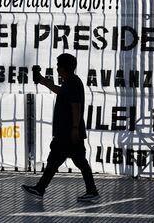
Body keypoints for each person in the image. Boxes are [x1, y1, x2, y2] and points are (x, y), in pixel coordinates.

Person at [22, 53, 99, 202]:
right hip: (69, 131)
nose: (57, 68)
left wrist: (75, 128)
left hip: (67, 132)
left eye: (58, 65)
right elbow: (61, 92)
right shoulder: (71, 81)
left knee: (56, 160)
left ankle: (40, 189)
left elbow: (75, 106)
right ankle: (91, 191)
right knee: (76, 161)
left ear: (62, 68)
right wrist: (43, 81)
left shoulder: (71, 82)